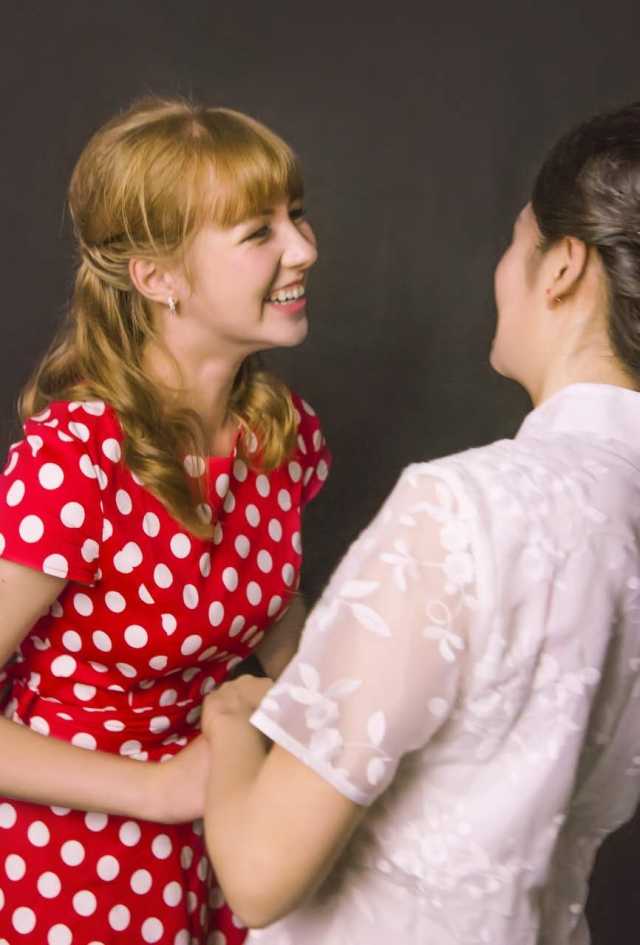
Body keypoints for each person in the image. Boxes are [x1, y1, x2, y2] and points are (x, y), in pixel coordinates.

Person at [200, 99, 640, 945]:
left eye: (517, 240)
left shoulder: (466, 508)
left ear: (562, 267)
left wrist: (228, 725)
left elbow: (258, 874)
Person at [0, 97, 329, 945]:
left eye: (295, 215)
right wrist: (158, 789)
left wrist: (349, 721)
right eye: (258, 232)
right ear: (157, 278)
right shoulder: (76, 458)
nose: (303, 248)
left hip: (220, 833)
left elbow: (271, 613)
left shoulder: (280, 433)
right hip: (66, 859)